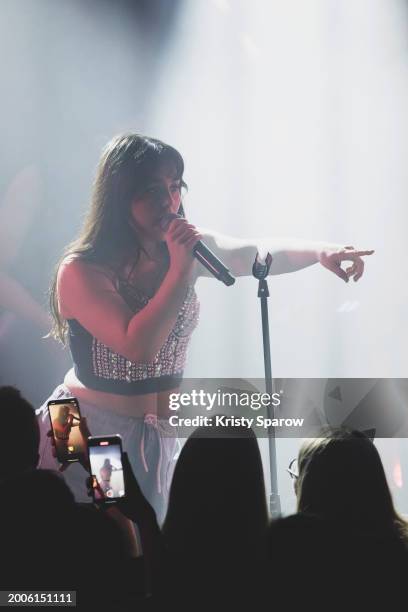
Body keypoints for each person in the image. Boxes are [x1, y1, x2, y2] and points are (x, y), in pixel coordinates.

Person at [36, 133, 374, 521]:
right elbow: (138, 346)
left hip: (156, 434)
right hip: (86, 425)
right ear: (119, 196)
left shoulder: (183, 251)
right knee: (112, 539)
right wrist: (181, 269)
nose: (168, 201)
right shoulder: (82, 269)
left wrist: (321, 252)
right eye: (151, 190)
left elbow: (255, 254)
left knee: (153, 538)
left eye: (174, 186)